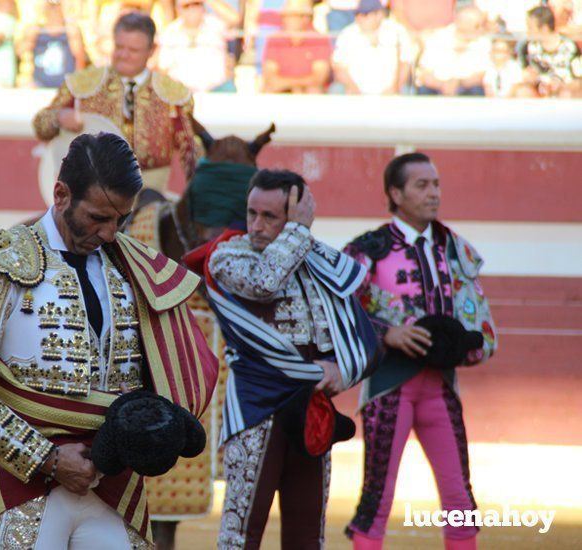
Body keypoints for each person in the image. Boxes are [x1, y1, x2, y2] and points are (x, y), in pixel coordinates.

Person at [0, 132, 218, 549]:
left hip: (116, 490)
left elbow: (168, 378)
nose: (109, 233)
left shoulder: (133, 267)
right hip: (28, 488)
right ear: (61, 195)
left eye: (120, 219)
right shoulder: (1, 264)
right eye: (98, 218)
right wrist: (46, 458)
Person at [187, 169, 377, 550]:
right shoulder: (228, 254)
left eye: (269, 216)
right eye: (252, 213)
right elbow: (263, 282)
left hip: (311, 404)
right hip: (258, 406)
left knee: (308, 536)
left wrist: (343, 369)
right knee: (240, 536)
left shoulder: (319, 263)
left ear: (296, 212)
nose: (256, 225)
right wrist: (299, 231)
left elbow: (359, 328)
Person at [343, 152, 498, 550]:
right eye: (422, 185)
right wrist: (387, 334)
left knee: (460, 500)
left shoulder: (454, 249)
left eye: (436, 184)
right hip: (388, 386)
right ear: (395, 193)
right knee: (376, 500)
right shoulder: (368, 249)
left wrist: (466, 344)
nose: (434, 193)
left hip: (441, 387)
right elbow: (340, 314)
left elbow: (478, 322)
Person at [33, 12, 199, 193]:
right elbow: (41, 125)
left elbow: (191, 148)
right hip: (93, 191)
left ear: (152, 50)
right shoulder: (83, 84)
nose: (124, 55)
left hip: (149, 194)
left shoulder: (171, 94)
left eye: (133, 50)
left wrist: (198, 192)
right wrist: (58, 117)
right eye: (119, 47)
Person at [331, 0, 414, 95]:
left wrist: (396, 87)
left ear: (379, 15)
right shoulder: (347, 34)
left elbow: (406, 63)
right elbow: (339, 67)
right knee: (336, 90)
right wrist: (353, 88)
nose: (360, 18)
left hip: (390, 91)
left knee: (408, 91)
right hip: (356, 91)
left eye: (365, 14)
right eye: (357, 14)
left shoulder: (396, 32)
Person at [156, 0, 232, 93]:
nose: (192, 9)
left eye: (196, 4)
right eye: (186, 6)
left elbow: (234, 19)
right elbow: (163, 68)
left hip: (217, 90)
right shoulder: (169, 32)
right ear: (178, 9)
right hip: (181, 94)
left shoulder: (216, 26)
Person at [415, 5, 491, 96]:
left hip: (468, 88)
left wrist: (458, 83)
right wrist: (442, 85)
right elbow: (424, 74)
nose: (482, 29)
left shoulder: (483, 43)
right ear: (463, 23)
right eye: (478, 25)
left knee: (476, 91)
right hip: (436, 87)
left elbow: (482, 75)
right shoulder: (437, 38)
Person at [261, 0, 332, 94]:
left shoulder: (318, 39)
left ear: (305, 18)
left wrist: (295, 87)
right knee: (269, 90)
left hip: (307, 90)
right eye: (284, 15)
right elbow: (270, 76)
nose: (286, 19)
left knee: (314, 91)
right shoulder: (275, 39)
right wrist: (294, 87)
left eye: (292, 15)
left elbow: (319, 77)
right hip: (283, 89)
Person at [17, 0, 87, 88]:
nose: (53, 8)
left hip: (65, 86)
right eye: (50, 3)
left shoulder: (71, 31)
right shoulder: (35, 31)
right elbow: (20, 52)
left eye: (57, 3)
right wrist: (30, 37)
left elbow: (80, 60)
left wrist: (77, 84)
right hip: (40, 84)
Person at [517, 4, 582, 97]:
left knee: (565, 94)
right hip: (537, 92)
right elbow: (524, 73)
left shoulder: (570, 47)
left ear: (544, 28)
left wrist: (561, 87)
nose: (527, 32)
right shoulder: (527, 48)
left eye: (530, 27)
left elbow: (579, 80)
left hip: (564, 92)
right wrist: (530, 78)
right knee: (523, 92)